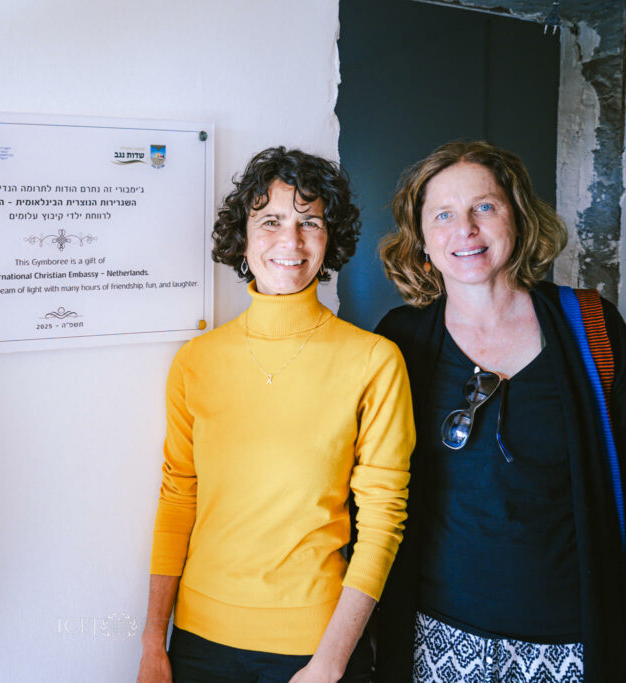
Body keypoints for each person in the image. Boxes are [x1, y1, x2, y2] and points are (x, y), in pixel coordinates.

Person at [135, 147, 415, 683]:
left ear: (330, 239)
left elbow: (384, 520)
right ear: (243, 236)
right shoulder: (197, 361)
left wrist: (331, 662)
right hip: (199, 642)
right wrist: (154, 639)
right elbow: (178, 499)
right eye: (271, 221)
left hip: (317, 646)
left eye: (310, 222)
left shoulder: (374, 360)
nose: (291, 241)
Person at [374, 140, 626, 682]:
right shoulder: (399, 341)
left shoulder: (593, 327)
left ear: (517, 216)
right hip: (435, 638)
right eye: (443, 214)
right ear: (422, 239)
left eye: (484, 207)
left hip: (569, 642)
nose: (465, 228)